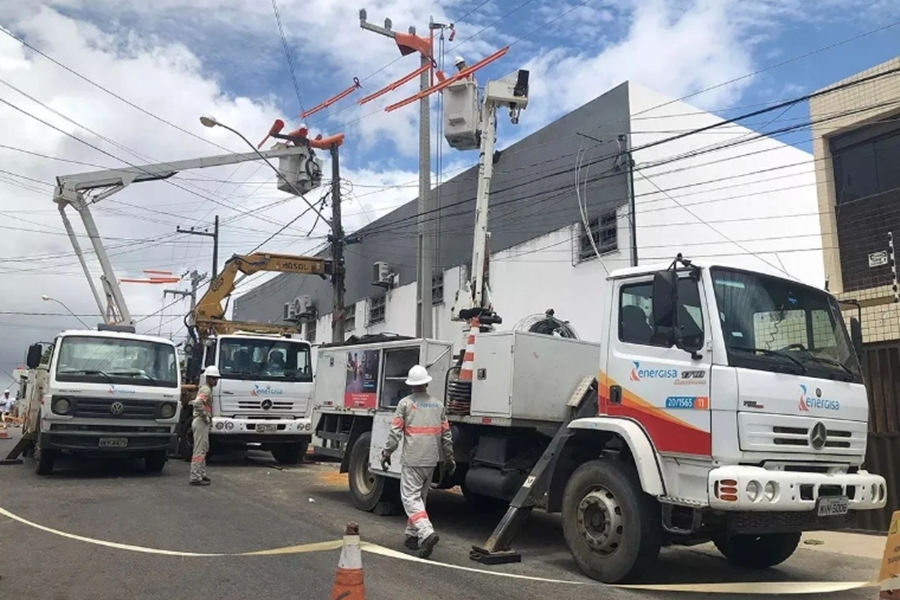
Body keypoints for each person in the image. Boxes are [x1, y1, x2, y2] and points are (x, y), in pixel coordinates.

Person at [380, 365, 455, 558]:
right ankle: (411, 536)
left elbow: (395, 432)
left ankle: (426, 532)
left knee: (410, 498)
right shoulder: (438, 405)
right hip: (431, 460)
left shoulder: (405, 404)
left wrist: (386, 452)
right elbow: (446, 436)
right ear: (427, 383)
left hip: (413, 458)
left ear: (410, 385)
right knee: (420, 499)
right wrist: (449, 458)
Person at [189, 365, 219, 486]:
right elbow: (197, 403)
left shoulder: (207, 388)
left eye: (217, 378)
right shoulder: (206, 389)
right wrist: (205, 415)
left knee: (204, 448)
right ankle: (195, 476)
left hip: (202, 422)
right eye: (213, 378)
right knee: (199, 450)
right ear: (208, 378)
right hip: (201, 421)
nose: (216, 381)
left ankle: (201, 473)